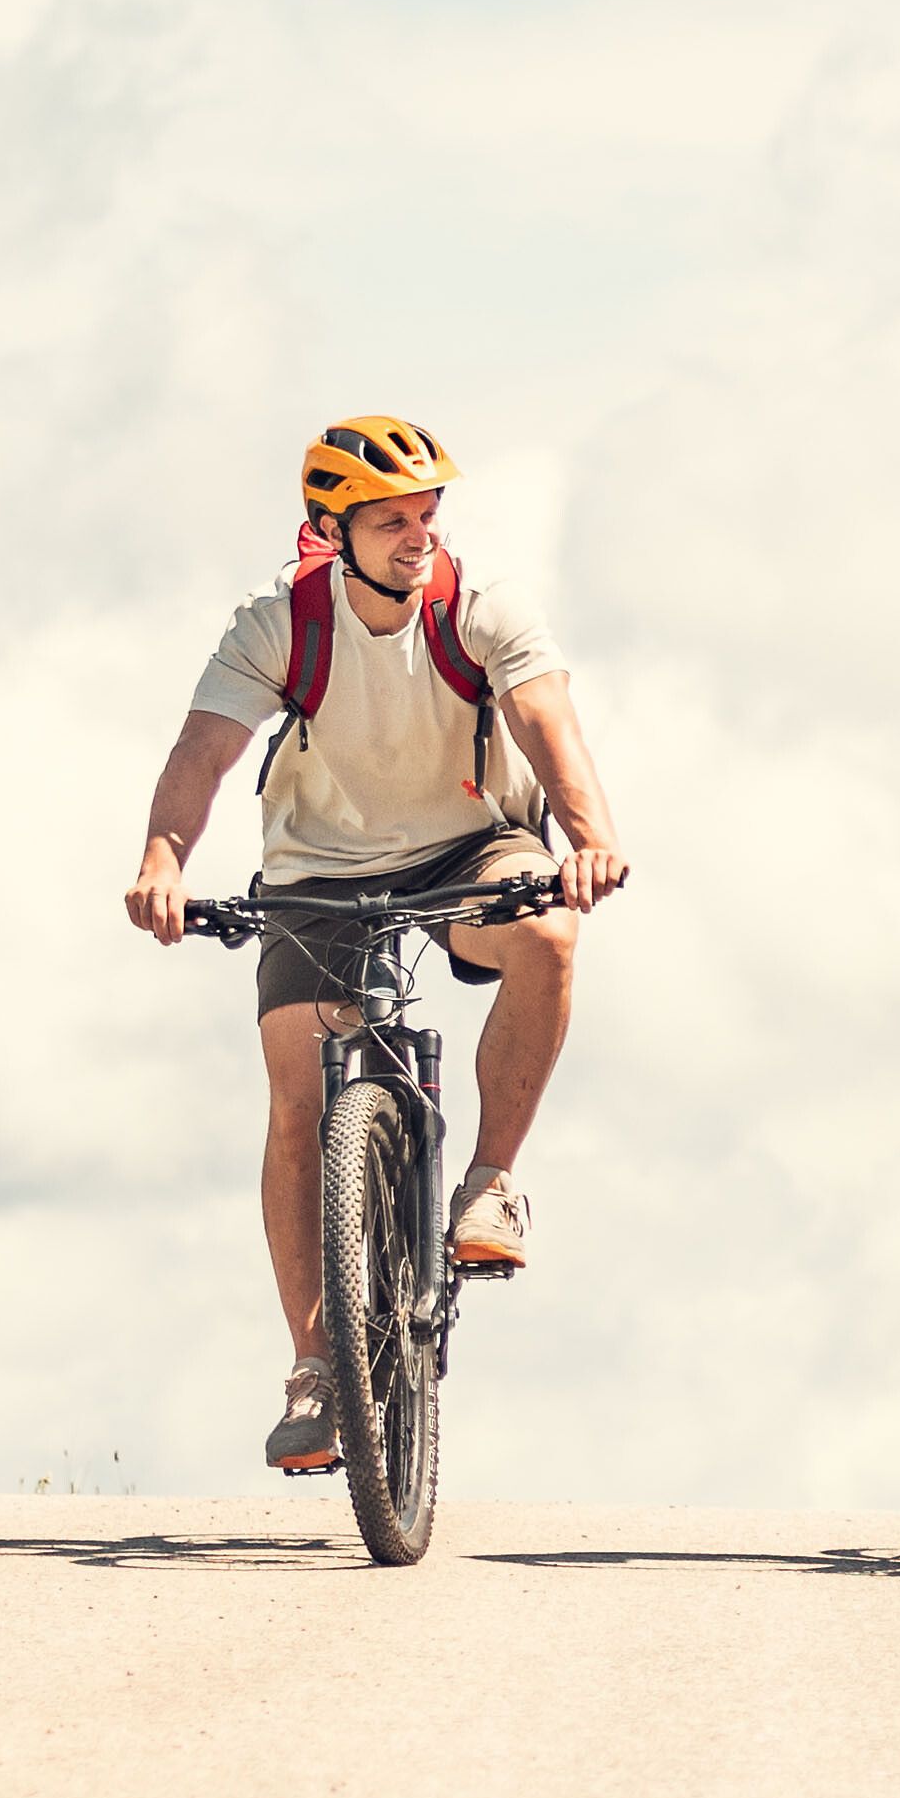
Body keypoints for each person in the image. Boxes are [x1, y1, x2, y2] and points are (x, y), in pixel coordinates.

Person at [128, 413, 634, 1475]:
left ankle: (490, 1177)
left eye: (428, 513)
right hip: (320, 867)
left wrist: (589, 838)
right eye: (392, 520)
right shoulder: (279, 624)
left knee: (549, 934)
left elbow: (548, 725)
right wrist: (163, 859)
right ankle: (316, 1366)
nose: (420, 535)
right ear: (332, 530)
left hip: (469, 846)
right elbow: (203, 749)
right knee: (296, 1099)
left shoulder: (480, 610)